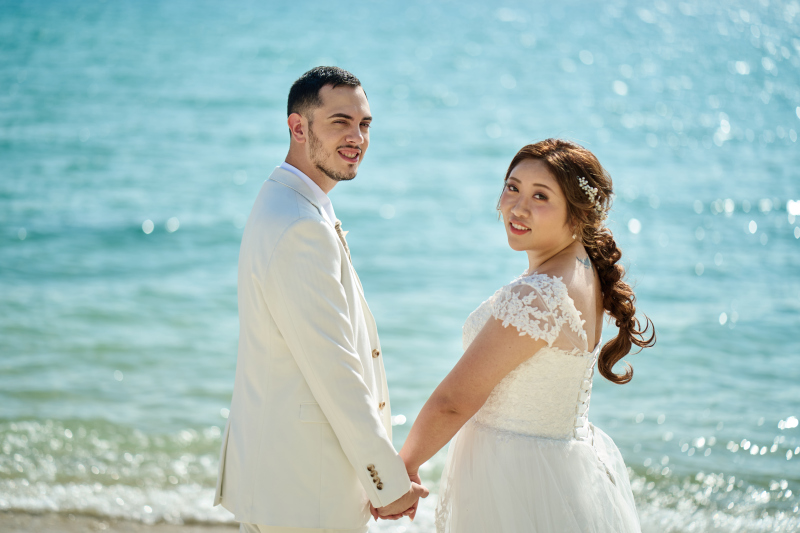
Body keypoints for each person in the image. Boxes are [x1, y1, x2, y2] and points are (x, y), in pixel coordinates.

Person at [397, 139, 655, 532]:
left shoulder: (539, 295)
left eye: (541, 196)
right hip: (560, 471)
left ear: (576, 214)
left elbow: (455, 400)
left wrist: (403, 468)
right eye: (512, 187)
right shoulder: (584, 269)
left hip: (514, 482)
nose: (517, 207)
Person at [213, 66, 428, 533]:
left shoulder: (288, 202)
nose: (357, 137)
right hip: (303, 490)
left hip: (286, 480)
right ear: (298, 127)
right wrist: (388, 485)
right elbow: (336, 371)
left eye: (364, 123)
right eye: (340, 122)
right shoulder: (299, 226)